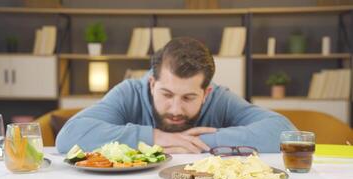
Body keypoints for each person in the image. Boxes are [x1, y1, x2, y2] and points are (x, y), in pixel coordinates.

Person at [56, 37, 296, 154]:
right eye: (166, 94)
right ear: (152, 84)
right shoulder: (129, 92)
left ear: (206, 93)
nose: (175, 109)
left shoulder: (220, 98)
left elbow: (286, 134)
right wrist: (155, 137)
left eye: (188, 98)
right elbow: (69, 136)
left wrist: (198, 144)